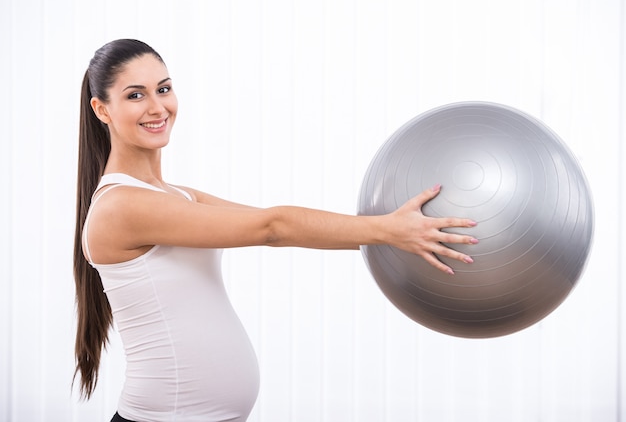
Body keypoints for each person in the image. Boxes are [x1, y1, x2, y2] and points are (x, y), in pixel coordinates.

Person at [73, 38, 478, 422]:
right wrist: (388, 232)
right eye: (135, 95)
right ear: (102, 109)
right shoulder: (122, 206)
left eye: (164, 89)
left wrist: (399, 233)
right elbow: (273, 227)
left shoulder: (175, 196)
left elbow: (278, 224)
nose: (158, 106)